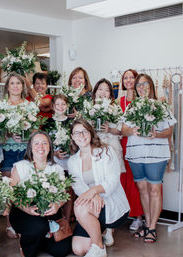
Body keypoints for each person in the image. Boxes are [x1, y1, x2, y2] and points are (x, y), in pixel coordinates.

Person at [121, 74, 176, 243]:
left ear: (151, 86)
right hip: (136, 154)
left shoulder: (160, 105)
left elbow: (169, 131)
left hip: (156, 154)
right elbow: (123, 129)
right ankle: (146, 223)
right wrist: (132, 131)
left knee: (154, 190)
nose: (141, 87)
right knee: (142, 189)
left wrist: (156, 134)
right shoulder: (132, 107)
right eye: (138, 85)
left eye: (145, 84)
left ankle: (152, 227)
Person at [68, 118, 129, 257]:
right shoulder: (72, 161)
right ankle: (101, 231)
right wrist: (93, 195)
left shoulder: (105, 151)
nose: (81, 136)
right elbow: (77, 186)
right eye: (77, 133)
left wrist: (94, 191)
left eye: (84, 131)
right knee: (78, 249)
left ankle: (99, 247)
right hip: (91, 204)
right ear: (72, 137)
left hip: (110, 202)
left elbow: (113, 180)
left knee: (79, 207)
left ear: (90, 132)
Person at [9, 131, 72, 257]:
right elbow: (12, 195)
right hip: (24, 212)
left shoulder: (56, 169)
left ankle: (40, 238)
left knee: (62, 250)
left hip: (50, 212)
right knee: (38, 226)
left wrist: (57, 205)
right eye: (36, 143)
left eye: (44, 143)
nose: (41, 147)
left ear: (50, 147)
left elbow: (64, 195)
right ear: (30, 147)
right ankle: (26, 245)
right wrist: (26, 209)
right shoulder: (21, 166)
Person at [91, 78, 126, 246]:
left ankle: (110, 229)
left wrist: (109, 129)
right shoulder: (89, 109)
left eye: (106, 90)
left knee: (110, 189)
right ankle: (96, 226)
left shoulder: (116, 109)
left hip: (111, 149)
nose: (103, 92)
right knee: (95, 188)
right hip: (94, 151)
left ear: (110, 95)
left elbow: (121, 131)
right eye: (100, 89)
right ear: (95, 92)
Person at [0, 72, 29, 239]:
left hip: (24, 150)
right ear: (7, 86)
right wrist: (9, 133)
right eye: (12, 83)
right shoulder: (1, 106)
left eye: (19, 83)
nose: (16, 86)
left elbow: (34, 129)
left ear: (23, 86)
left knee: (24, 187)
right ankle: (10, 224)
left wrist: (24, 134)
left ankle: (24, 221)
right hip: (8, 151)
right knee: (9, 188)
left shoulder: (28, 105)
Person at [118, 69, 144, 231]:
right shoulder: (117, 101)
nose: (128, 80)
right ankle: (122, 213)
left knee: (137, 181)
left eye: (131, 77)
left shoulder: (142, 100)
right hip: (121, 144)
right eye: (125, 78)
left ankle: (139, 216)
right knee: (122, 179)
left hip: (137, 144)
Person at [43, 94, 74, 222]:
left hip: (69, 161)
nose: (60, 107)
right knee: (54, 189)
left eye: (63, 104)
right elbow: (45, 142)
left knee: (68, 192)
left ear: (67, 106)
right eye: (58, 104)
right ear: (53, 106)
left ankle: (66, 221)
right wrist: (54, 153)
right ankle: (54, 219)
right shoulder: (48, 123)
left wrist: (70, 148)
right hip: (54, 161)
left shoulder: (71, 122)